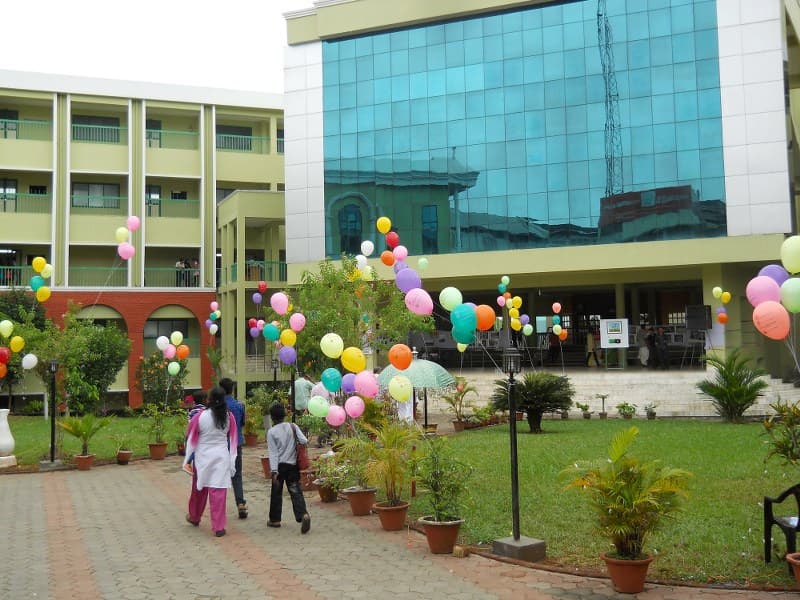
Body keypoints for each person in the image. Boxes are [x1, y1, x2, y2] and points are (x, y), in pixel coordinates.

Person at [183, 386, 238, 537]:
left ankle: (194, 517)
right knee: (218, 491)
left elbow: (191, 437)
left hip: (203, 458)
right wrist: (232, 462)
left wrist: (187, 458)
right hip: (221, 457)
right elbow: (233, 442)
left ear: (209, 399)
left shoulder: (200, 416)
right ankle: (218, 527)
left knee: (199, 489)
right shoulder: (229, 417)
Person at [267, 402, 311, 533]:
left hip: (279, 467)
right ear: (284, 415)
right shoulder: (293, 426)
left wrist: (273, 471)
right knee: (295, 491)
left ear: (272, 417)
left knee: (276, 493)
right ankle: (303, 515)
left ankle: (275, 520)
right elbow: (304, 441)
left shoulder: (272, 432)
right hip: (292, 465)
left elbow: (273, 453)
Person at [220, 377, 247, 519]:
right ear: (232, 389)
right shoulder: (239, 405)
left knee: (220, 476)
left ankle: (219, 506)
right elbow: (242, 423)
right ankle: (240, 502)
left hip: (220, 445)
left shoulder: (217, 407)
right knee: (237, 475)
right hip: (236, 443)